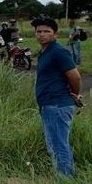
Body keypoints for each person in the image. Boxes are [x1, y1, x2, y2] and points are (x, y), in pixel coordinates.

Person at [31, 17, 82, 176]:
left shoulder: (59, 52)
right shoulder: (44, 52)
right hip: (48, 105)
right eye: (39, 31)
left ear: (55, 34)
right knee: (54, 144)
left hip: (57, 105)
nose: (42, 34)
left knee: (59, 145)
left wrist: (75, 93)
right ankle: (63, 177)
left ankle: (65, 182)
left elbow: (75, 76)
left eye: (47, 31)